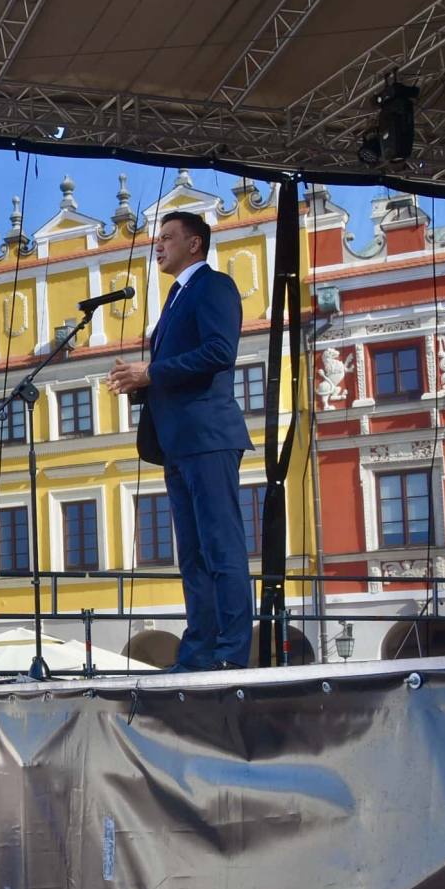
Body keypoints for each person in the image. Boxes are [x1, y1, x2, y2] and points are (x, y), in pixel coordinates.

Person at [105, 210, 253, 672]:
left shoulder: (214, 286)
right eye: (157, 238)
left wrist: (150, 371)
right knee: (191, 554)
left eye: (167, 237)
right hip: (177, 441)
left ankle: (230, 652)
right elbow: (178, 366)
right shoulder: (173, 298)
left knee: (220, 548)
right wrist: (141, 383)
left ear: (195, 244)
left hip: (208, 435)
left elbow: (217, 352)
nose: (158, 245)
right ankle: (198, 652)